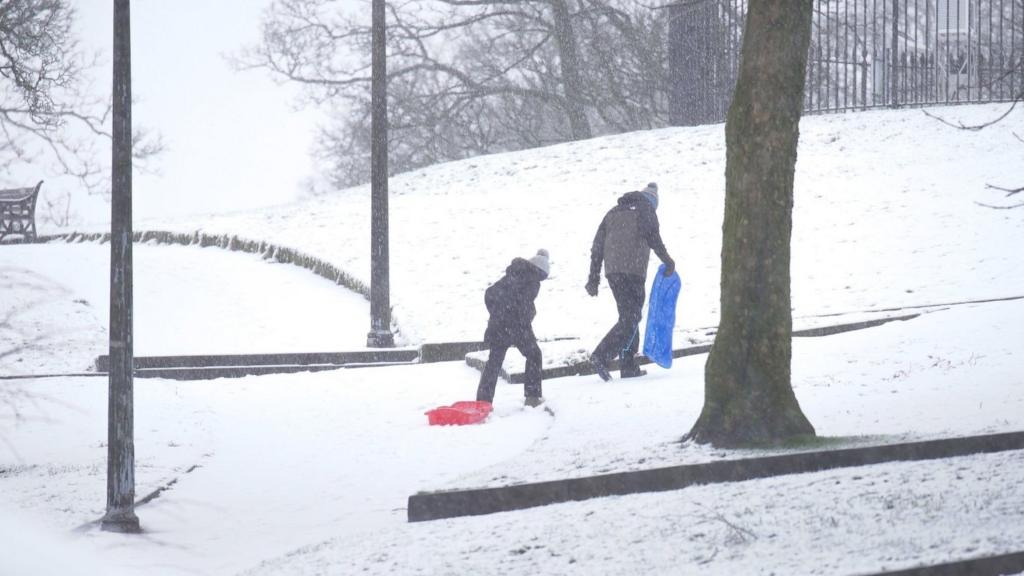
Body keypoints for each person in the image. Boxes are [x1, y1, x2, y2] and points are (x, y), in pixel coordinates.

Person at [586, 182, 675, 381]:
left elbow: (597, 246)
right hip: (632, 271)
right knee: (631, 318)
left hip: (613, 272)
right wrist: (668, 261)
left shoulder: (612, 212)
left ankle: (628, 366)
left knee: (628, 317)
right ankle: (601, 355)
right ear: (653, 201)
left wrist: (594, 277)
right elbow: (653, 237)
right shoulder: (646, 209)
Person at [476, 249, 550, 407]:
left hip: (499, 324)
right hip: (516, 326)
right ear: (542, 271)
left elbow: (490, 293)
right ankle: (532, 396)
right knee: (534, 355)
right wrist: (527, 315)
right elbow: (523, 304)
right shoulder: (532, 280)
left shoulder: (513, 274)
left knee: (494, 361)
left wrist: (497, 313)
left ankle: (483, 401)